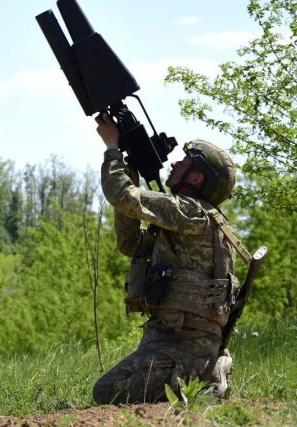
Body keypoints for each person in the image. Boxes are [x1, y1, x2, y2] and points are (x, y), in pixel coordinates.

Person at [92, 112, 241, 405]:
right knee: (111, 389)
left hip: (184, 341)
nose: (174, 164)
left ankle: (204, 377)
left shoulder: (191, 211)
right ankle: (204, 370)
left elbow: (119, 193)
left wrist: (112, 147)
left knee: (107, 391)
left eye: (183, 163)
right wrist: (131, 182)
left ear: (196, 178)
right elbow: (131, 244)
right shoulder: (190, 219)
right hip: (169, 335)